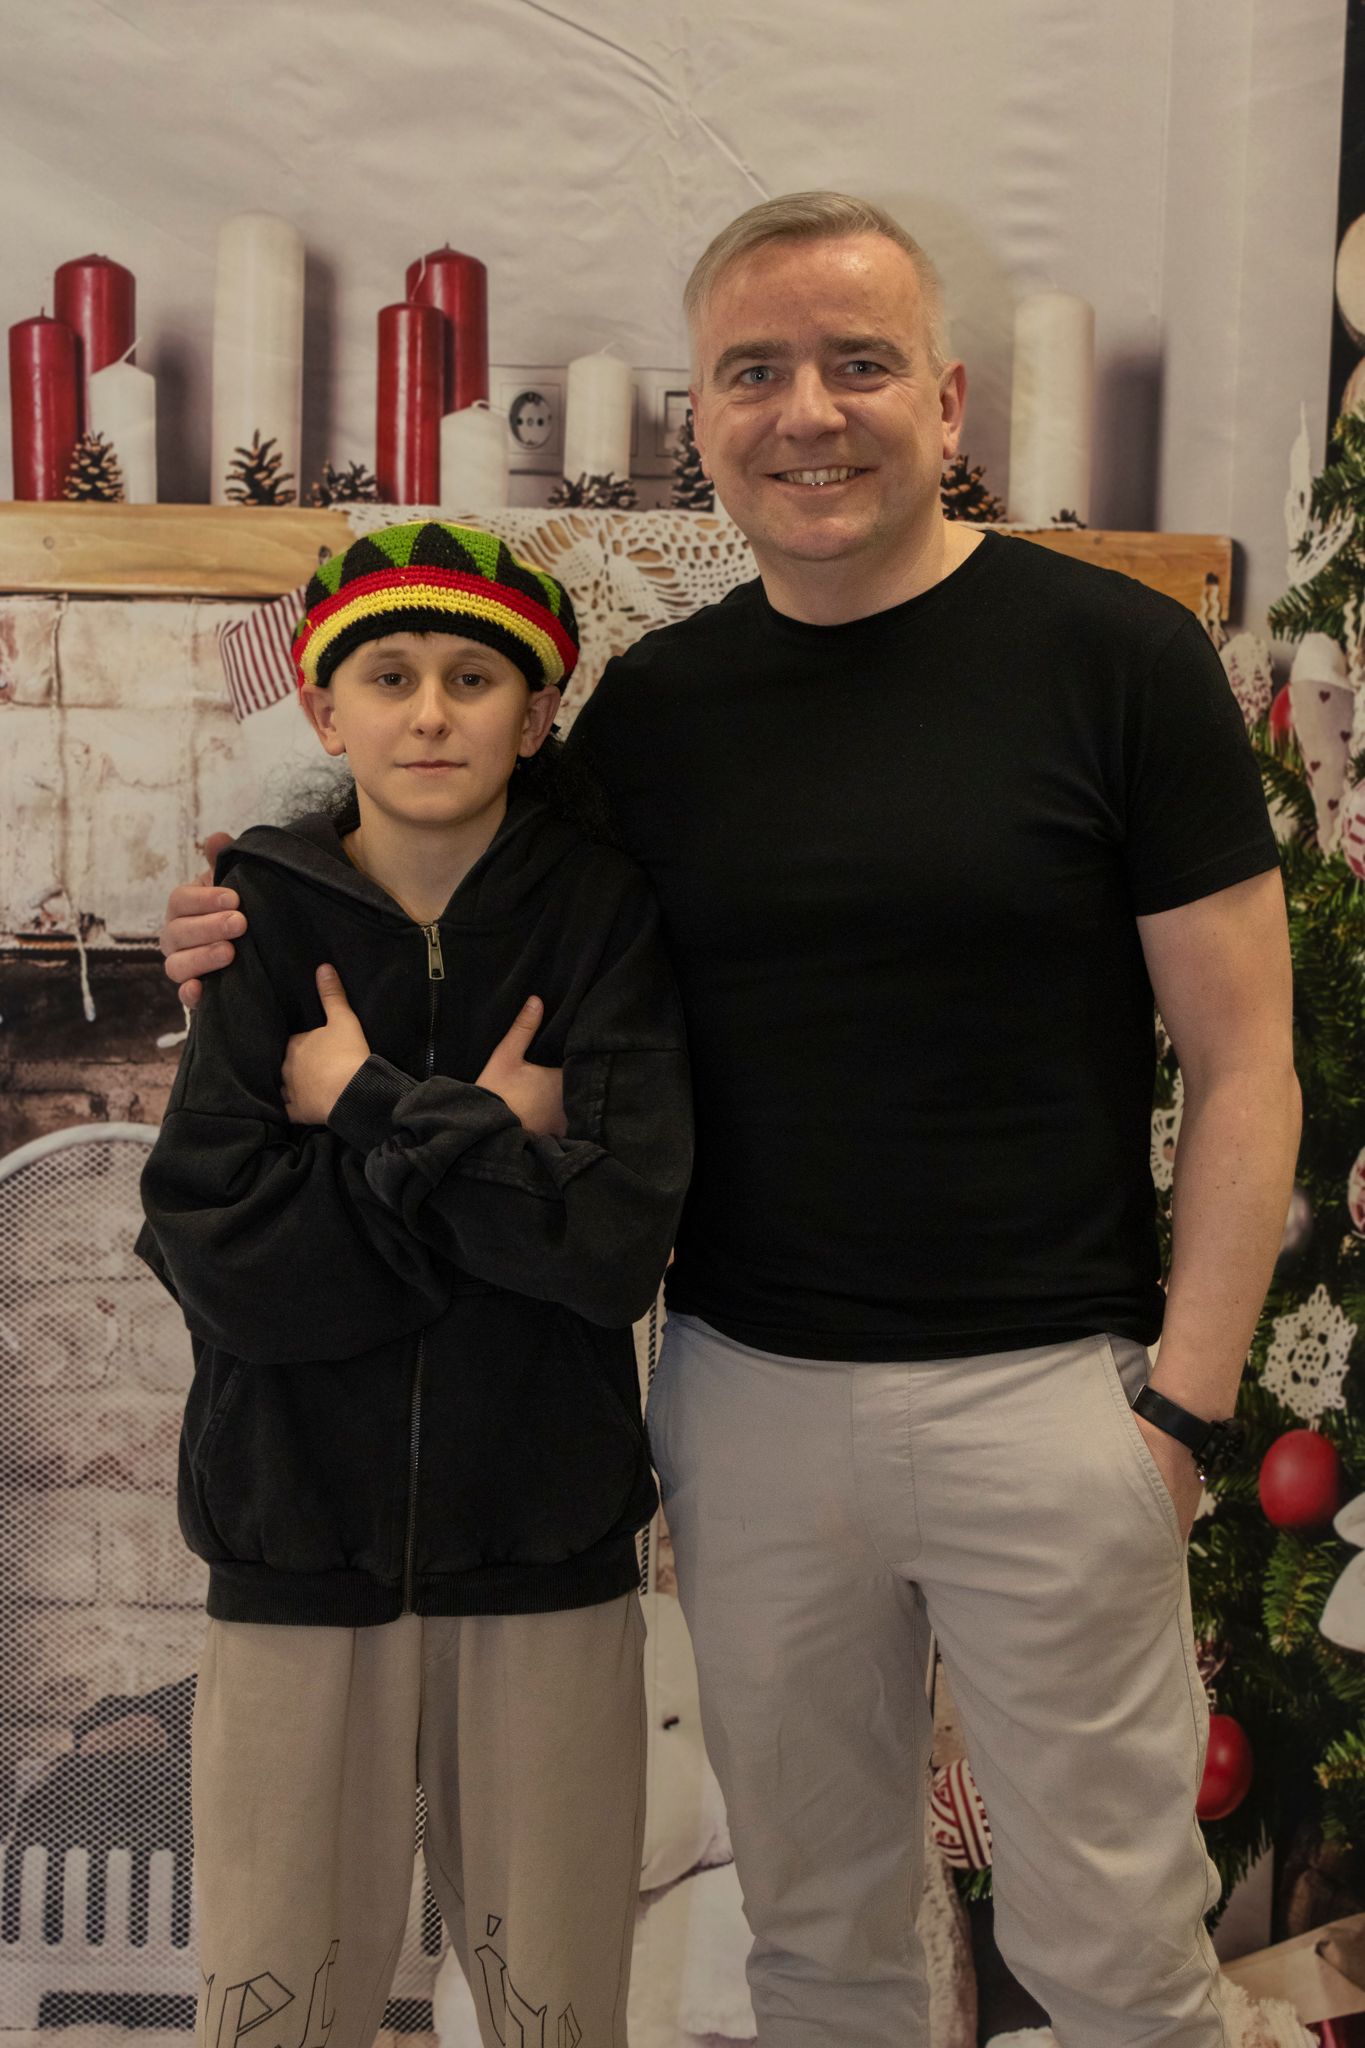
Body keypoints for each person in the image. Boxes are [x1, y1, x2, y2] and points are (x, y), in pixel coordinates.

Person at [160, 198, 1301, 2048]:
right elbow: (436, 859)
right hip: (748, 1401)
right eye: (754, 371)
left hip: (1047, 1400)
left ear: (945, 399)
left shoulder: (1114, 658)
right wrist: (242, 906)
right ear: (699, 417)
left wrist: (1181, 1408)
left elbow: (1246, 1060)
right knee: (817, 1948)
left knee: (1116, 1957)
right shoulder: (658, 711)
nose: (807, 411)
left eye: (859, 364)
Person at [138, 520, 692, 2048]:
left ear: (537, 710)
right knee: (275, 1993)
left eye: (471, 677)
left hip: (543, 1537)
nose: (431, 711)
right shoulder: (259, 919)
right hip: (295, 1539)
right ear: (327, 711)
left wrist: (369, 1106)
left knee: (552, 1999)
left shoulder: (601, 918)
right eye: (389, 676)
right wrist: (488, 1148)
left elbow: (613, 1247)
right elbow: (227, 1262)